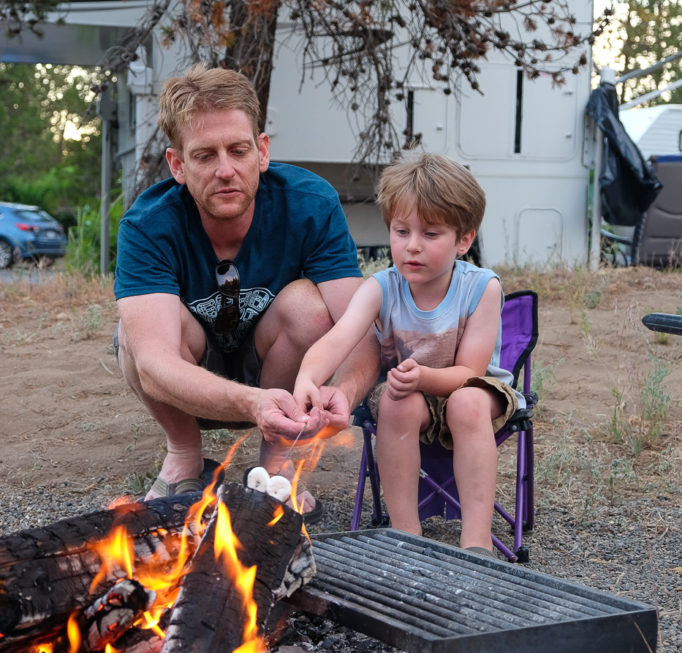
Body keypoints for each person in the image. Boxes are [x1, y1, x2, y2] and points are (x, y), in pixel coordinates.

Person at [113, 64, 378, 505]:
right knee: (134, 336)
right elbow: (156, 366)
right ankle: (183, 455)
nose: (225, 170)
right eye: (204, 155)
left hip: (277, 365)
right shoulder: (147, 225)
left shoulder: (311, 203)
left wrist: (345, 393)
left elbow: (361, 327)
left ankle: (277, 462)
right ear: (177, 164)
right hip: (190, 377)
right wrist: (253, 403)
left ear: (262, 151)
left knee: (309, 306)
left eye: (238, 150)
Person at [293, 151, 522, 552]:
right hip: (409, 393)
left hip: (471, 389)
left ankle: (477, 542)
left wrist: (425, 377)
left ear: (464, 240)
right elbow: (338, 338)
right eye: (402, 232)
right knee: (395, 402)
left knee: (465, 403)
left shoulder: (480, 288)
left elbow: (471, 370)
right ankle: (405, 535)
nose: (412, 247)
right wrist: (307, 378)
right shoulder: (381, 287)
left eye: (431, 234)